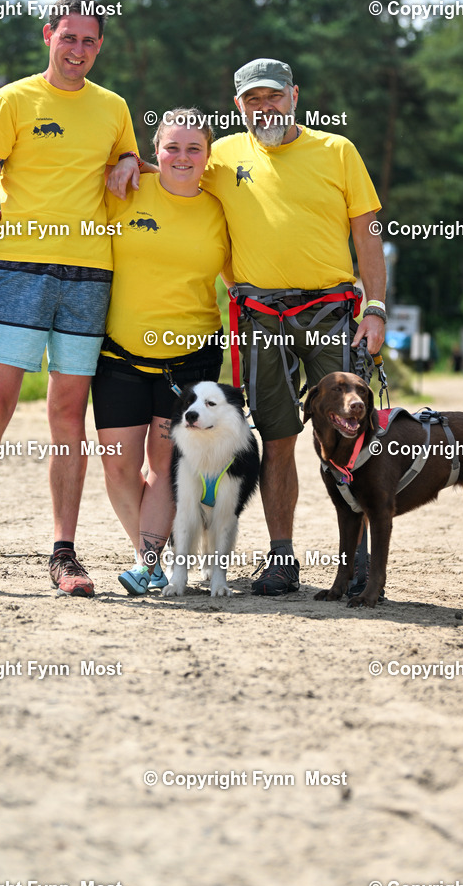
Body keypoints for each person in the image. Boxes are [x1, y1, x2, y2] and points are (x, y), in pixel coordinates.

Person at [111, 57, 386, 597]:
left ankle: (357, 561)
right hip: (260, 315)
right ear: (239, 107)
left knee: (350, 434)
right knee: (278, 437)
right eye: (253, 100)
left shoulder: (338, 151)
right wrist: (127, 160)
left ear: (295, 95)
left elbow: (367, 234)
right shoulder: (223, 156)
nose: (266, 108)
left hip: (332, 309)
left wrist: (374, 307)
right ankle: (283, 560)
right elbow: (175, 165)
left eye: (274, 97)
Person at [0, 0, 138, 599]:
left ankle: (64, 554)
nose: (78, 51)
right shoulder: (12, 100)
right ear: (48, 35)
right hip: (19, 271)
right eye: (68, 38)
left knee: (68, 415)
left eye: (90, 42)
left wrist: (128, 160)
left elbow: (129, 161)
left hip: (90, 277)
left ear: (101, 46)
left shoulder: (115, 107)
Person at [92, 108, 230, 595]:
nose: (182, 157)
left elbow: (238, 284)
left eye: (194, 148)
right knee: (118, 466)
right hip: (120, 356)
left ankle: (148, 563)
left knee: (167, 464)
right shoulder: (125, 192)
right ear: (155, 151)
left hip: (190, 361)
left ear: (208, 155)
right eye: (172, 147)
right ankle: (154, 554)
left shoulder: (221, 210)